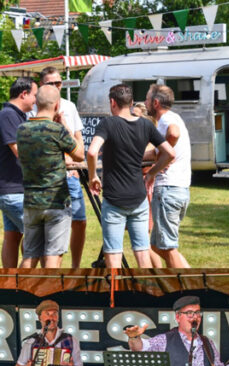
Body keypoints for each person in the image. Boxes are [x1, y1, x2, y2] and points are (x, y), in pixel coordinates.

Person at [86, 83, 174, 268]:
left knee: (113, 253)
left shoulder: (107, 124)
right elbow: (169, 153)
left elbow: (92, 152)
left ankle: (115, 295)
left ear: (112, 102)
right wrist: (152, 173)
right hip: (139, 197)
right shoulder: (145, 125)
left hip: (114, 198)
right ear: (132, 102)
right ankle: (148, 293)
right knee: (142, 251)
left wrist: (93, 176)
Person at [17, 84, 84, 268]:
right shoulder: (57, 130)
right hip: (56, 202)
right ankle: (51, 295)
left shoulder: (22, 130)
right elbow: (79, 154)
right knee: (53, 256)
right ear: (56, 106)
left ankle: (21, 294)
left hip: (31, 202)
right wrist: (64, 125)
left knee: (30, 255)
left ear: (36, 103)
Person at [35, 67, 86, 268]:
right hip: (46, 177)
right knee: (47, 230)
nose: (56, 86)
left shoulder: (69, 106)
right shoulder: (36, 107)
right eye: (51, 83)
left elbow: (78, 140)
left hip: (71, 173)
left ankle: (75, 268)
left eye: (59, 83)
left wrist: (76, 164)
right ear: (42, 85)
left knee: (80, 221)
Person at [144, 84, 192, 267]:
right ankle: (189, 274)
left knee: (168, 247)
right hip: (179, 189)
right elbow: (156, 152)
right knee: (157, 246)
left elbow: (173, 134)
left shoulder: (165, 121)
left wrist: (153, 171)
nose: (145, 103)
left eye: (147, 99)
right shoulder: (175, 117)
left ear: (155, 103)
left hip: (168, 189)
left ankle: (188, 288)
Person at [0, 77, 37, 267]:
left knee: (13, 236)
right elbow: (20, 151)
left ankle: (8, 286)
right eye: (35, 95)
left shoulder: (18, 115)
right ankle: (23, 284)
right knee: (37, 239)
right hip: (13, 191)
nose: (36, 100)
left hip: (14, 189)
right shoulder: (8, 115)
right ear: (24, 94)